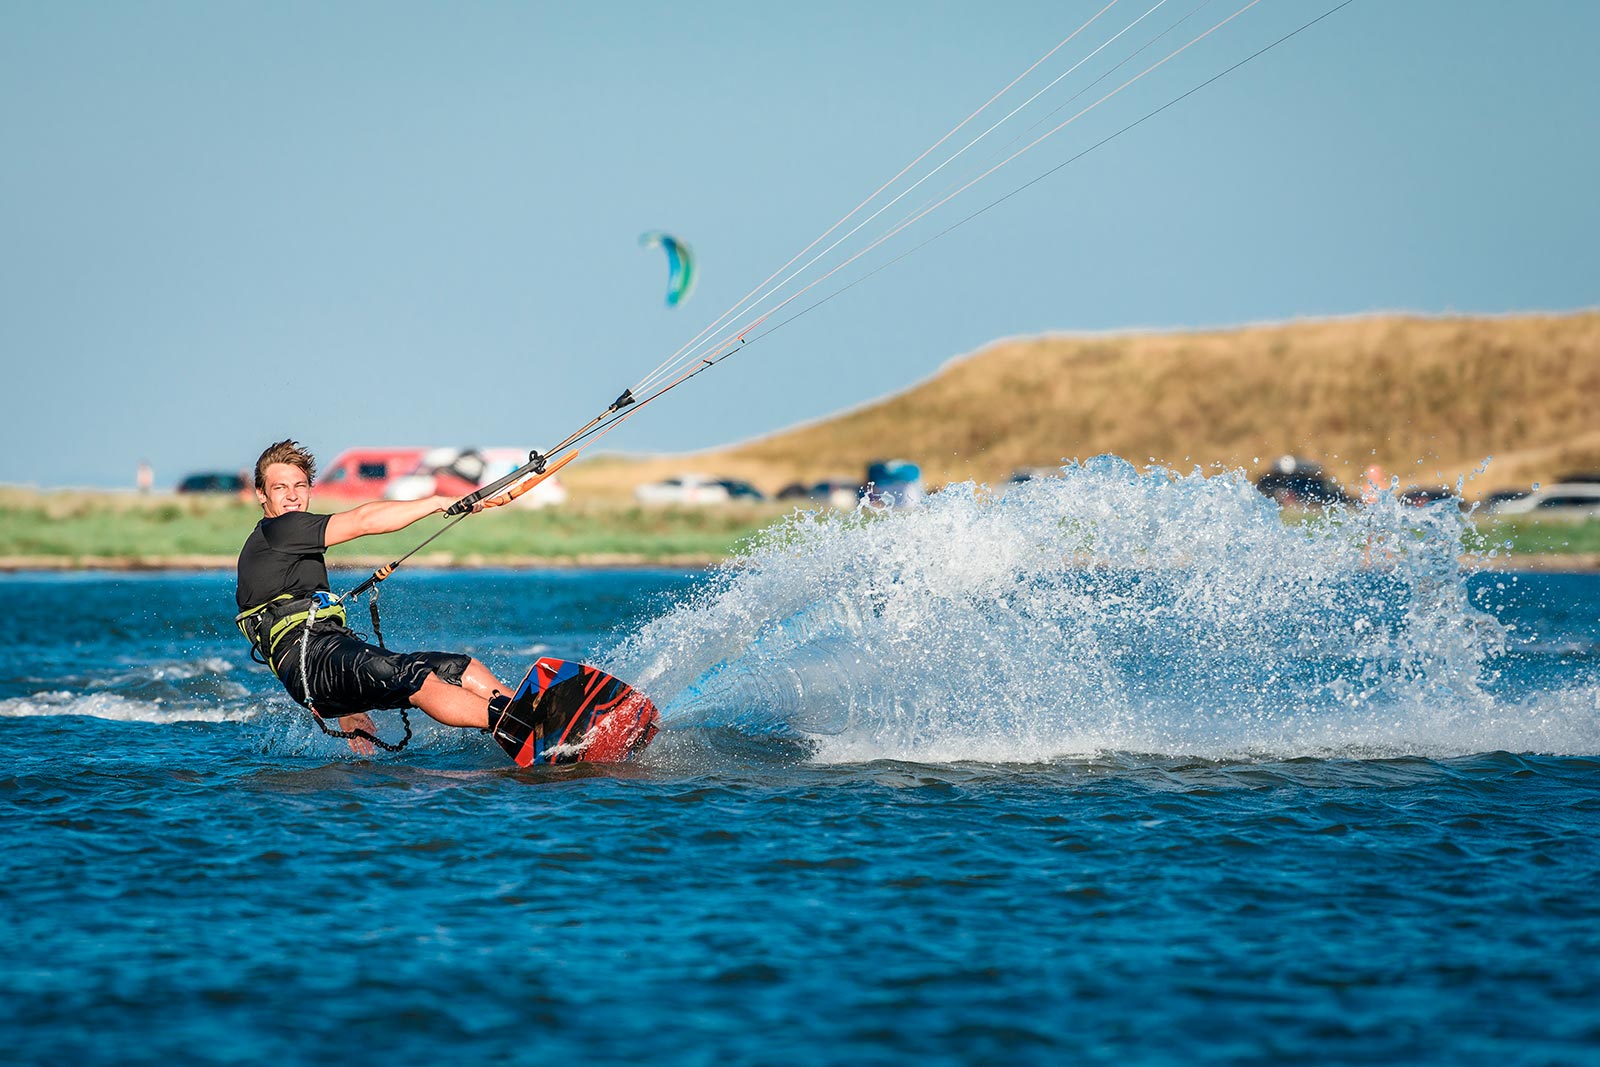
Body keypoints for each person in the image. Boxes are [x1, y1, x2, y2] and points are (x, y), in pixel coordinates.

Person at [235, 439, 510, 755]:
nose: (293, 495)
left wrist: (347, 708)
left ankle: (530, 711)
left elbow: (287, 638)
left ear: (310, 488)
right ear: (261, 494)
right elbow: (362, 521)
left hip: (322, 660)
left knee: (458, 668)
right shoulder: (280, 529)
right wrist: (437, 502)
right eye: (280, 487)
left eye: (300, 485)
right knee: (416, 678)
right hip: (313, 660)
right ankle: (519, 723)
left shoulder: (287, 549)